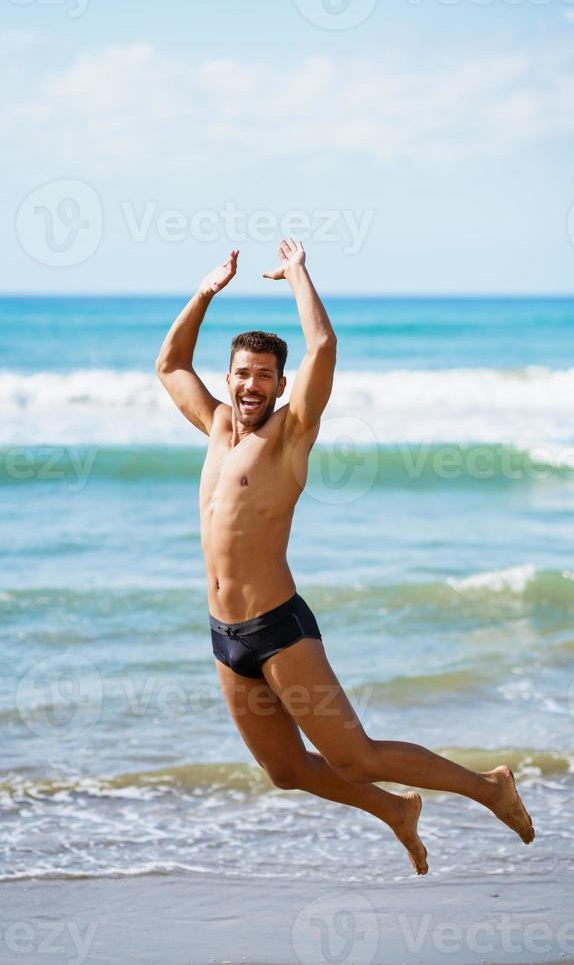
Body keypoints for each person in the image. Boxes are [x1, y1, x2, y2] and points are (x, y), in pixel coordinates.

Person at [155, 239, 535, 875]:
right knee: (284, 770)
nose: (251, 385)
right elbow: (169, 365)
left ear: (281, 385)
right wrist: (205, 292)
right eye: (241, 373)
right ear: (229, 378)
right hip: (226, 634)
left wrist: (298, 274)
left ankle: (489, 787)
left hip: (279, 629)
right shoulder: (218, 427)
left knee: (353, 755)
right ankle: (394, 812)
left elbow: (323, 349)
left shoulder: (290, 437)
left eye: (264, 376)